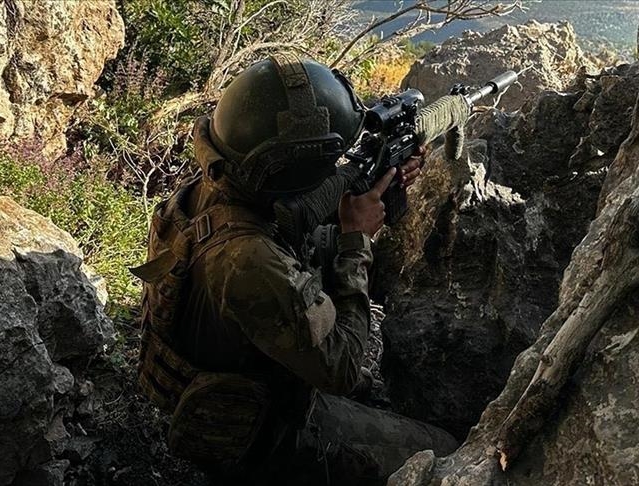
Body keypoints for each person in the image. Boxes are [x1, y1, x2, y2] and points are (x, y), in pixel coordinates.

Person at [130, 54, 457, 485]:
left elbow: (289, 226)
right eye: (328, 165)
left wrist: (368, 184)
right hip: (259, 429)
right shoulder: (250, 260)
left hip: (219, 373)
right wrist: (356, 239)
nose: (335, 171)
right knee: (443, 452)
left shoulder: (213, 188)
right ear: (289, 174)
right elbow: (342, 367)